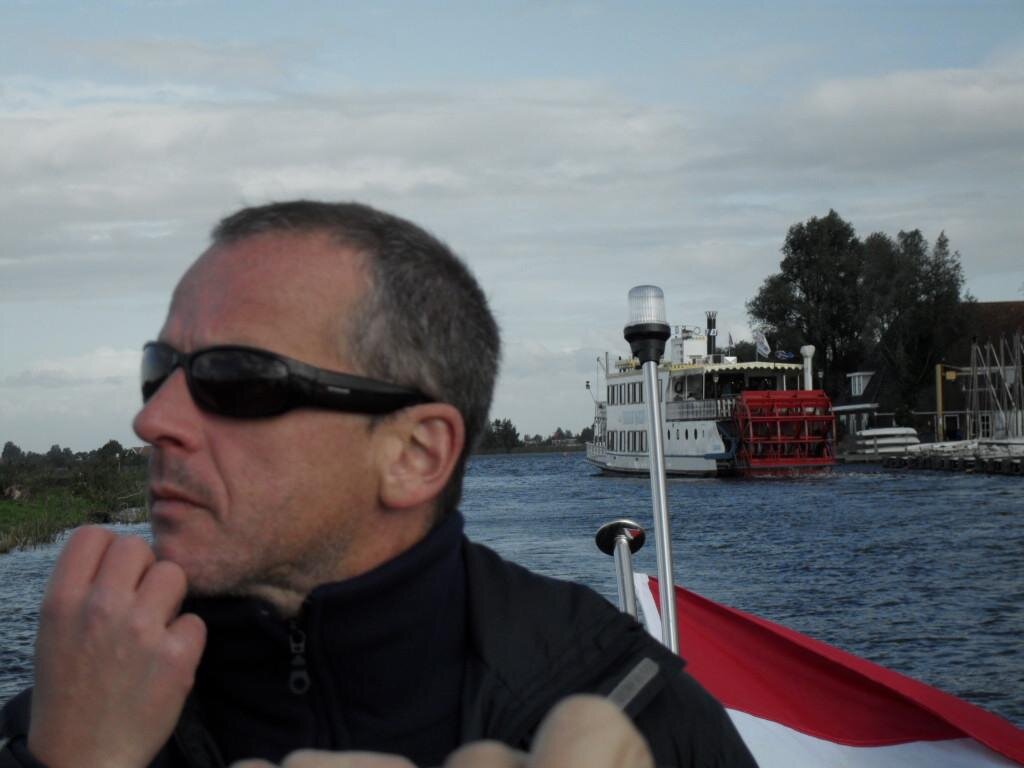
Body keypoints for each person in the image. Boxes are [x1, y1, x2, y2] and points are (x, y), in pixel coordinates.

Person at [0, 201, 756, 768]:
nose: (152, 419)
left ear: (415, 455)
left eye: (233, 378)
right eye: (157, 371)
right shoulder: (71, 718)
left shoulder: (633, 713)